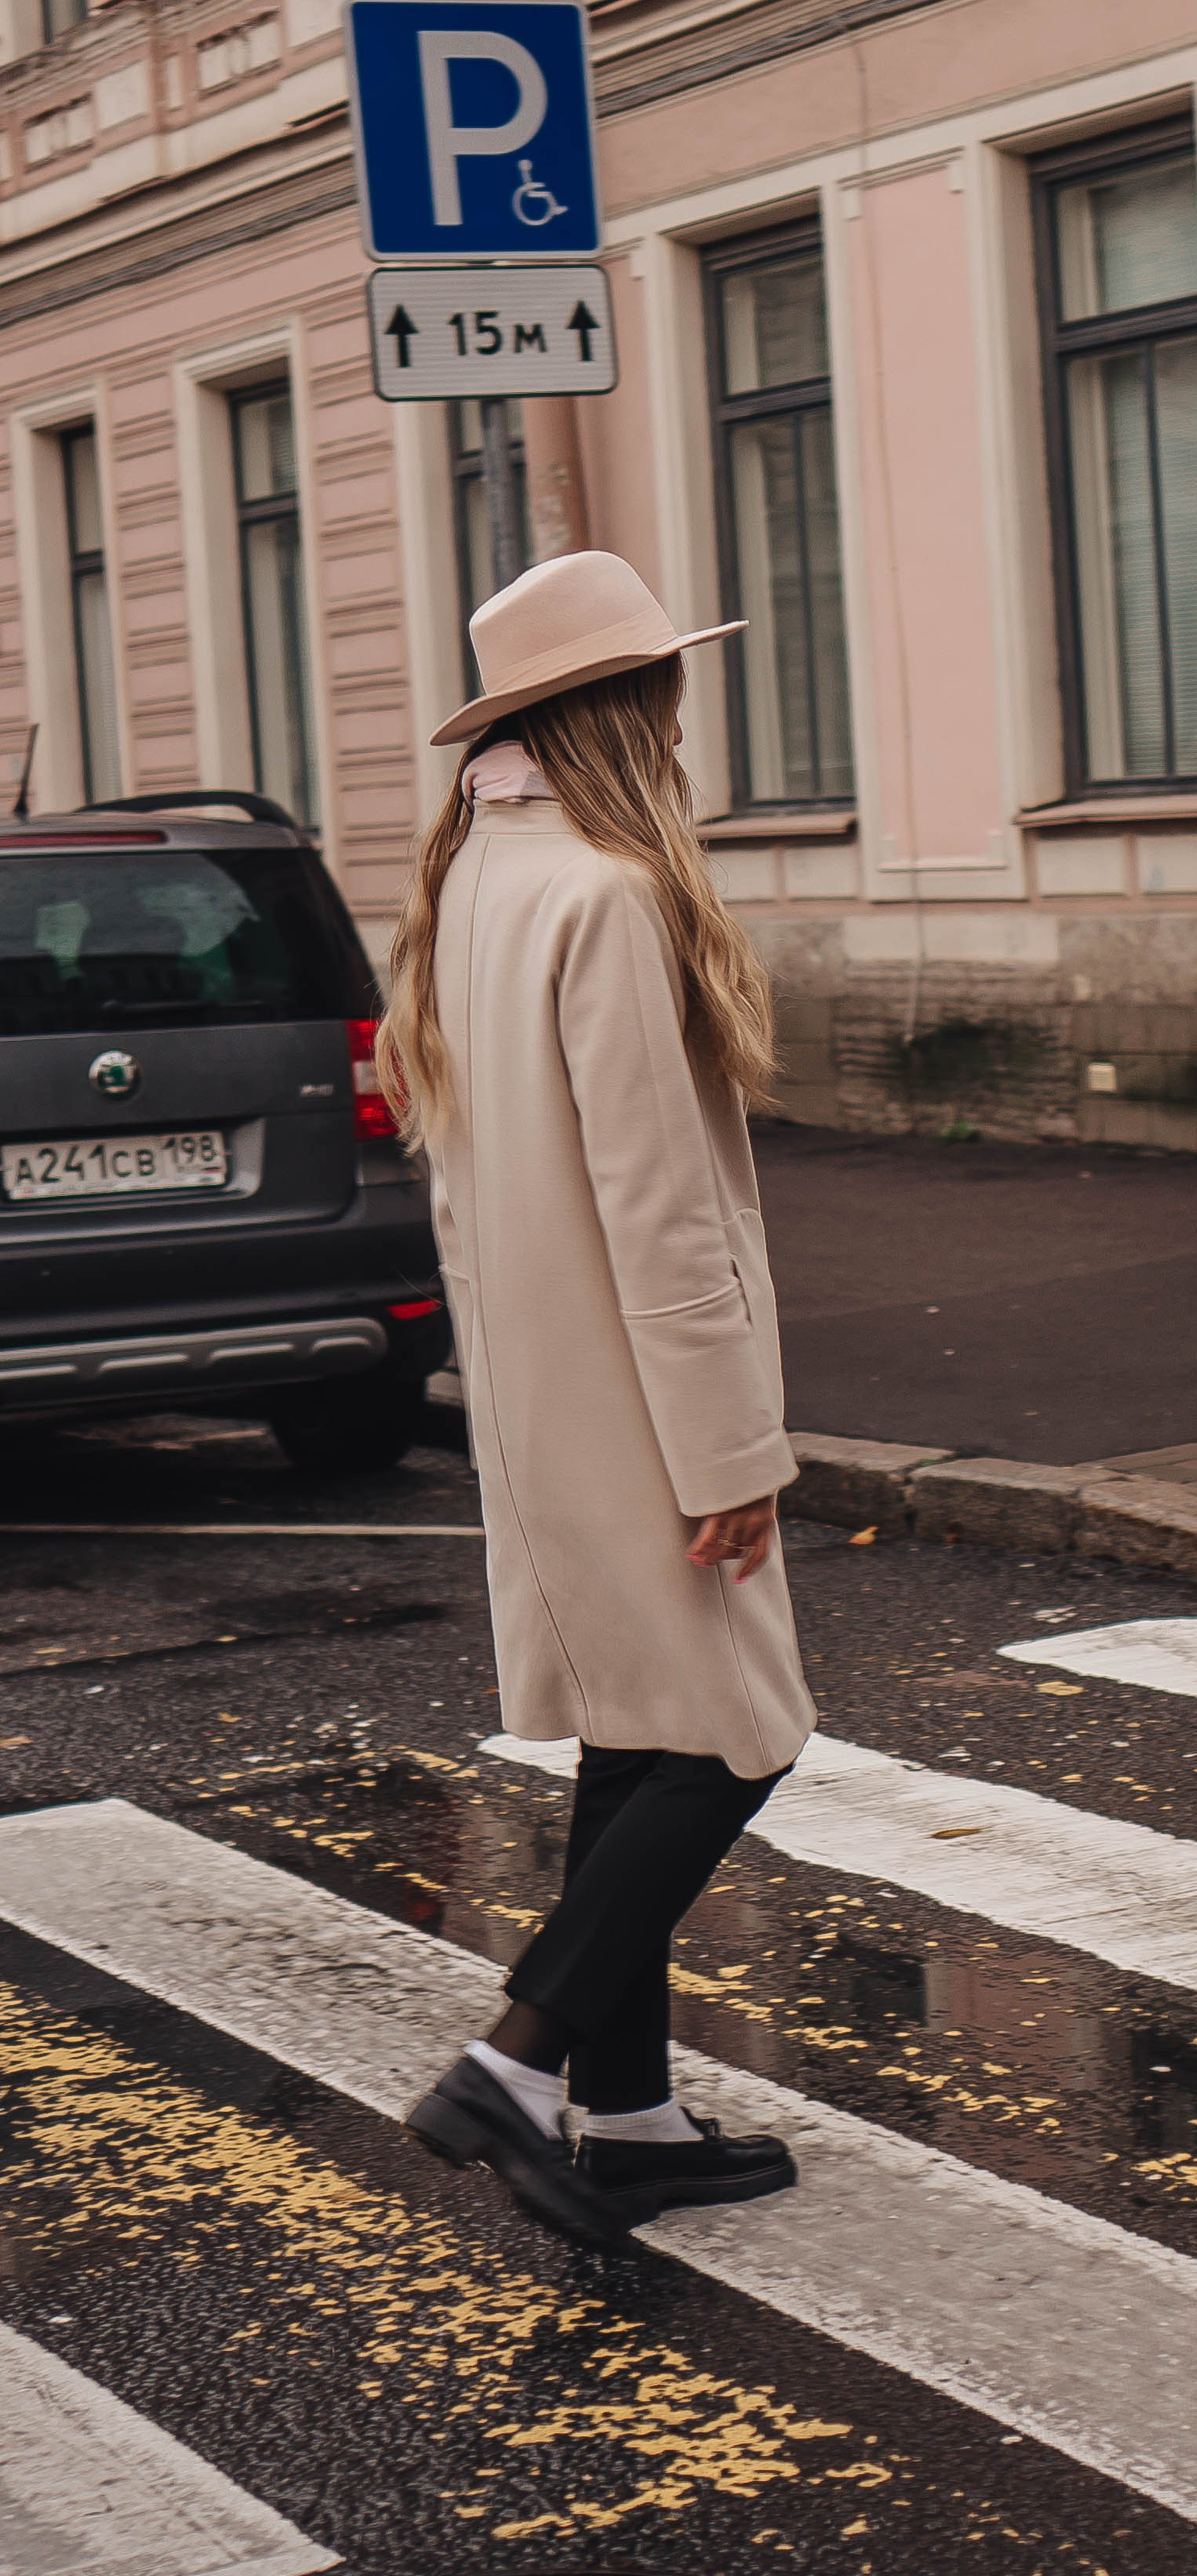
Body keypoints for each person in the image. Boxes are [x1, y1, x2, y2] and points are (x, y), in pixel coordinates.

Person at [377, 550, 817, 2253]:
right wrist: (731, 1449)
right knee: (737, 1737)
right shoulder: (611, 892)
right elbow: (660, 1204)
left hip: (543, 1390)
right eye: (665, 679)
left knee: (641, 1736)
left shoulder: (475, 873)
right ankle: (516, 2058)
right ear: (620, 707)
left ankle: (627, 2116)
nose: (683, 704)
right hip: (643, 1401)